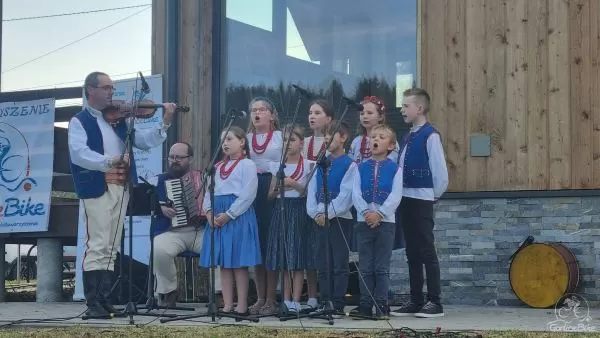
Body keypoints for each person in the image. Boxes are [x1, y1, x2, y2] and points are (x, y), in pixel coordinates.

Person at [68, 71, 176, 317]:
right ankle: (92, 301)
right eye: (106, 88)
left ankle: (104, 298)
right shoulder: (79, 121)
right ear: (90, 90)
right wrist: (109, 160)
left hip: (121, 186)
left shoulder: (117, 121)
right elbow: (78, 153)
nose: (111, 93)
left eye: (112, 88)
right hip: (98, 186)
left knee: (112, 245)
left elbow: (144, 140)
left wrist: (165, 122)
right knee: (96, 243)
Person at [390, 88, 448, 318]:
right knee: (412, 251)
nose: (402, 110)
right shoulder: (407, 136)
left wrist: (432, 195)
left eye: (406, 106)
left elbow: (440, 171)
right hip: (405, 197)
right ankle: (416, 299)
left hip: (422, 198)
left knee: (426, 250)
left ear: (419, 108)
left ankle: (435, 301)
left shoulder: (430, 135)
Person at [199, 126, 262, 316]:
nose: (225, 143)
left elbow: (248, 194)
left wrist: (230, 214)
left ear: (242, 141)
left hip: (237, 216)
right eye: (223, 140)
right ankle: (227, 304)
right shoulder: (216, 167)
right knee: (224, 264)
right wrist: (209, 212)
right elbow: (209, 192)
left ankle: (241, 305)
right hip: (217, 215)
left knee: (238, 263)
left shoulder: (247, 165)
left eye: (229, 139)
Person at [351, 124, 403, 319]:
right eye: (374, 136)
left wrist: (379, 213)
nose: (376, 139)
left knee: (381, 266)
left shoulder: (395, 169)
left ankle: (381, 304)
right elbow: (356, 192)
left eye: (381, 137)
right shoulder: (360, 168)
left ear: (390, 145)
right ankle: (365, 304)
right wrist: (366, 212)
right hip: (363, 221)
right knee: (365, 266)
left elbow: (396, 195)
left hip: (386, 223)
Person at [306, 121, 356, 316]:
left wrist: (328, 213)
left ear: (343, 138)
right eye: (325, 135)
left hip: (340, 218)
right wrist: (316, 213)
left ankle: (338, 301)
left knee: (339, 262)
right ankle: (325, 300)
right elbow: (312, 190)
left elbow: (346, 195)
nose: (326, 138)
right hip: (319, 218)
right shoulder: (319, 162)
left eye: (331, 135)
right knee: (323, 262)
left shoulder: (350, 164)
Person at [153, 142, 211, 307]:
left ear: (190, 159)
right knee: (159, 248)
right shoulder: (161, 179)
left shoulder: (203, 178)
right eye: (172, 157)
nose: (174, 160)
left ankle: (219, 293)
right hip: (172, 231)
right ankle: (168, 291)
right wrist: (161, 207)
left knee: (217, 245)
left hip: (199, 230)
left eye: (179, 157)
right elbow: (151, 201)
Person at [265, 124, 313, 315]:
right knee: (285, 256)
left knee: (298, 256)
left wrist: (294, 184)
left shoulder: (308, 164)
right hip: (281, 209)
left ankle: (296, 300)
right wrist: (279, 189)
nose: (288, 144)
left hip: (299, 210)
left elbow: (308, 192)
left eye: (292, 140)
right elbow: (270, 195)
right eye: (285, 140)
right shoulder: (278, 165)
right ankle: (285, 299)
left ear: (301, 143)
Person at [246, 97, 283, 316]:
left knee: (270, 243)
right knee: (257, 244)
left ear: (272, 114)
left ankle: (272, 299)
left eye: (262, 109)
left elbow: (286, 161)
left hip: (272, 185)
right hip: (252, 188)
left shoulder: (280, 136)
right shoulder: (247, 138)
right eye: (253, 110)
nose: (257, 113)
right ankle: (260, 297)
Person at [301, 99, 334, 311]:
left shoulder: (333, 141)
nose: (312, 116)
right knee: (310, 250)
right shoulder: (304, 143)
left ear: (329, 118)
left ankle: (328, 294)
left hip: (328, 199)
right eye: (310, 112)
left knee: (326, 250)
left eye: (318, 112)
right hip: (307, 199)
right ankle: (312, 295)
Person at [348, 96, 399, 164]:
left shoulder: (388, 140)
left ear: (380, 117)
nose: (365, 116)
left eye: (370, 113)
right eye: (362, 113)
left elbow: (393, 163)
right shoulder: (356, 141)